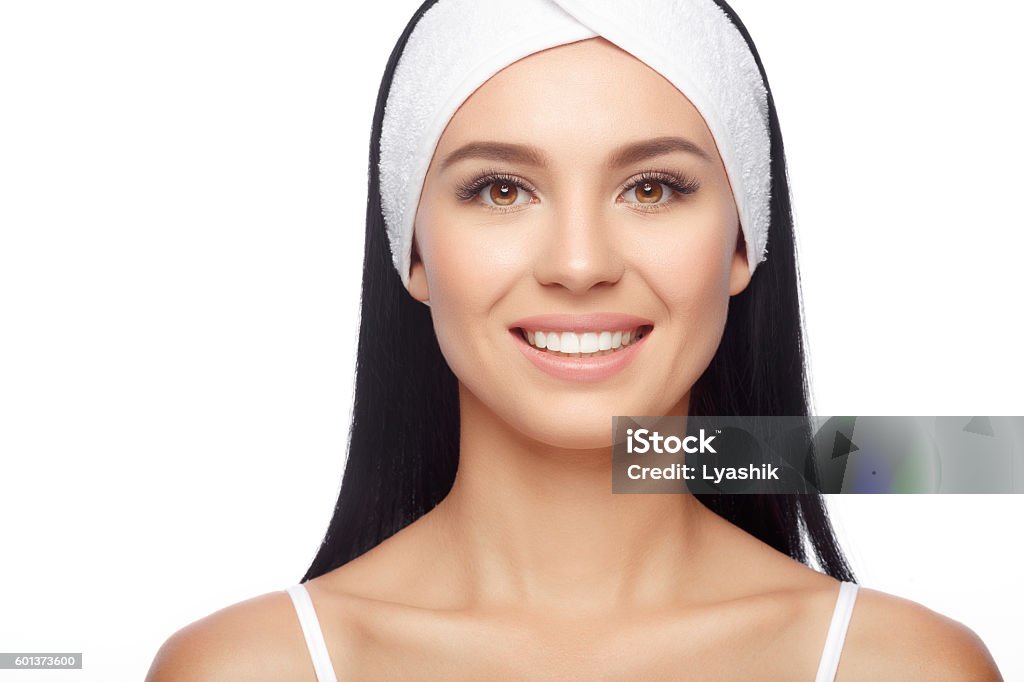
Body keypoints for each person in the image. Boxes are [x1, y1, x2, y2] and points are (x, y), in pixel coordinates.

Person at [146, 1, 1003, 679]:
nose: (580, 263)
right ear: (412, 250)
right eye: (501, 189)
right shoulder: (246, 669)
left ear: (745, 244)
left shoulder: (904, 669)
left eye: (655, 188)